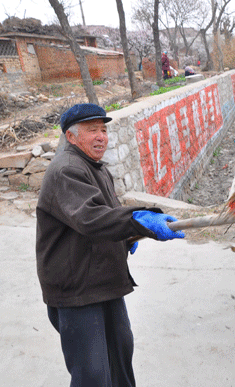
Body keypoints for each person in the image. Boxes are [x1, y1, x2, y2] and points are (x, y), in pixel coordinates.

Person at [36, 103, 186, 386]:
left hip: (103, 279)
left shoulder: (96, 168)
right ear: (71, 137)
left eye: (103, 130)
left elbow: (105, 215)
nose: (102, 136)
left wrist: (127, 236)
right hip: (77, 287)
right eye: (92, 130)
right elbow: (91, 218)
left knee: (120, 355)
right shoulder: (66, 170)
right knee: (92, 373)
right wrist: (140, 219)